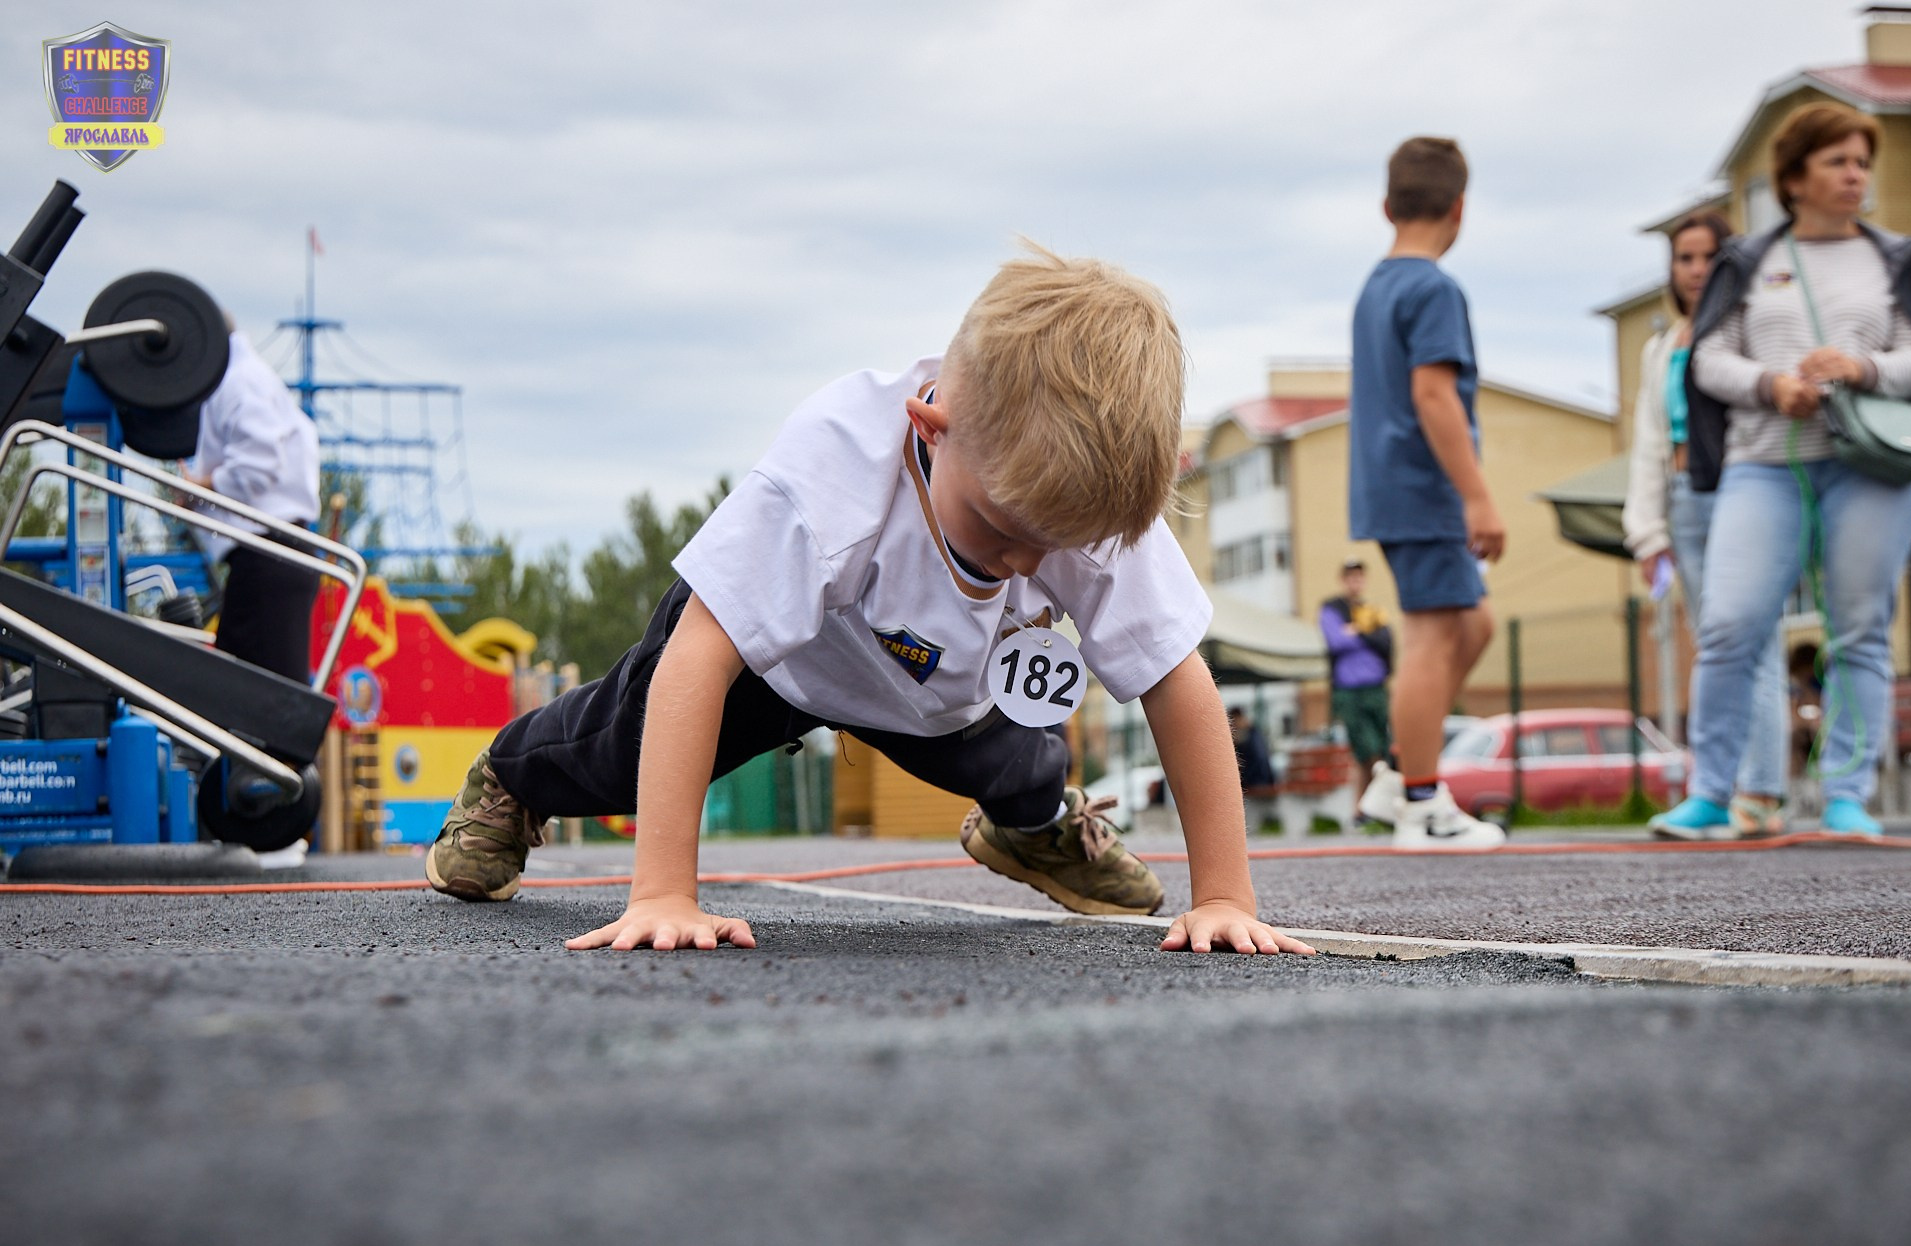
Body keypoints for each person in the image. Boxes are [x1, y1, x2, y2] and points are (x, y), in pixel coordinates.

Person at [426, 244, 1313, 956]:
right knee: (617, 746)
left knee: (1024, 761)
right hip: (783, 657)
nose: (1023, 562)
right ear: (934, 427)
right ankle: (510, 776)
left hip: (931, 682)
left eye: (1052, 546)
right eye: (1005, 530)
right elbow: (700, 654)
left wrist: (1227, 896)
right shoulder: (836, 476)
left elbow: (1176, 679)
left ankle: (1034, 829)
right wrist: (663, 891)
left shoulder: (1075, 493)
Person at [1661, 102, 1911, 839]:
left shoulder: (1898, 260)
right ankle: (1709, 794)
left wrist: (1862, 367)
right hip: (1763, 463)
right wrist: (1773, 385)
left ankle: (1845, 796)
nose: (1855, 174)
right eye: (1838, 161)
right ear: (1794, 178)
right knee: (1729, 623)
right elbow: (1708, 358)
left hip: (1874, 465)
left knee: (1859, 627)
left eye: (1862, 161)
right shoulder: (1749, 262)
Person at [1347, 136, 1505, 850]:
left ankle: (1396, 774)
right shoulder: (1434, 288)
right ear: (1460, 208)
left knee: (1473, 626)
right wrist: (1477, 496)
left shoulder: (1378, 286)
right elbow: (1435, 395)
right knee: (1435, 637)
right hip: (1424, 486)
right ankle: (1420, 802)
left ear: (1388, 205)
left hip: (1390, 485)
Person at [1621, 212, 1792, 839]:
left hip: (1748, 491)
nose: (1696, 269)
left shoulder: (1754, 330)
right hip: (1685, 500)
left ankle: (1762, 792)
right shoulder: (1660, 346)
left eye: (1707, 256)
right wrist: (1647, 530)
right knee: (1714, 645)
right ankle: (1713, 793)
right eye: (1684, 258)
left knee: (1755, 639)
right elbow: (1646, 440)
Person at [184, 323, 322, 683]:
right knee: (250, 698)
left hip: (269, 557)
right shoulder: (245, 377)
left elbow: (259, 462)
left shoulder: (237, 380)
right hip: (269, 556)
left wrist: (198, 487)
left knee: (261, 704)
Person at [1319, 556, 1393, 824]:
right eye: (1351, 576)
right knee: (1365, 749)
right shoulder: (1332, 608)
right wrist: (1365, 632)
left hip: (1375, 687)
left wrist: (1356, 632)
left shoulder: (1371, 609)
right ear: (1343, 580)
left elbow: (1385, 640)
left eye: (1360, 576)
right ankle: (1365, 806)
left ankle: (1365, 808)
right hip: (1349, 690)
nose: (1355, 581)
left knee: (1378, 750)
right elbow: (1336, 641)